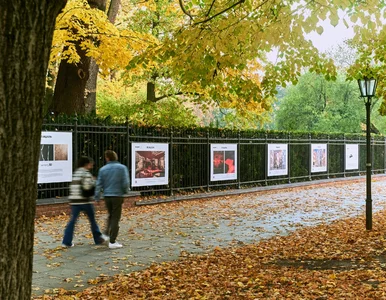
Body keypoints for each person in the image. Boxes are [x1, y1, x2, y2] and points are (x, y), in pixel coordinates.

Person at [62, 156, 107, 247]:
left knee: (72, 221)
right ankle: (98, 239)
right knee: (92, 220)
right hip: (85, 201)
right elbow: (87, 187)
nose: (92, 165)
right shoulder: (86, 173)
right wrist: (94, 182)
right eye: (91, 163)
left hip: (75, 201)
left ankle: (66, 241)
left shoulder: (76, 173)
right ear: (86, 164)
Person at [95, 150, 130, 249]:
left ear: (107, 158)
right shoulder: (122, 168)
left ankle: (105, 235)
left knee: (111, 215)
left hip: (107, 196)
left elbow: (98, 184)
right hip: (117, 195)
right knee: (115, 217)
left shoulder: (103, 169)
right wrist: (125, 191)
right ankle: (112, 241)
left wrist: (97, 197)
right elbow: (125, 182)